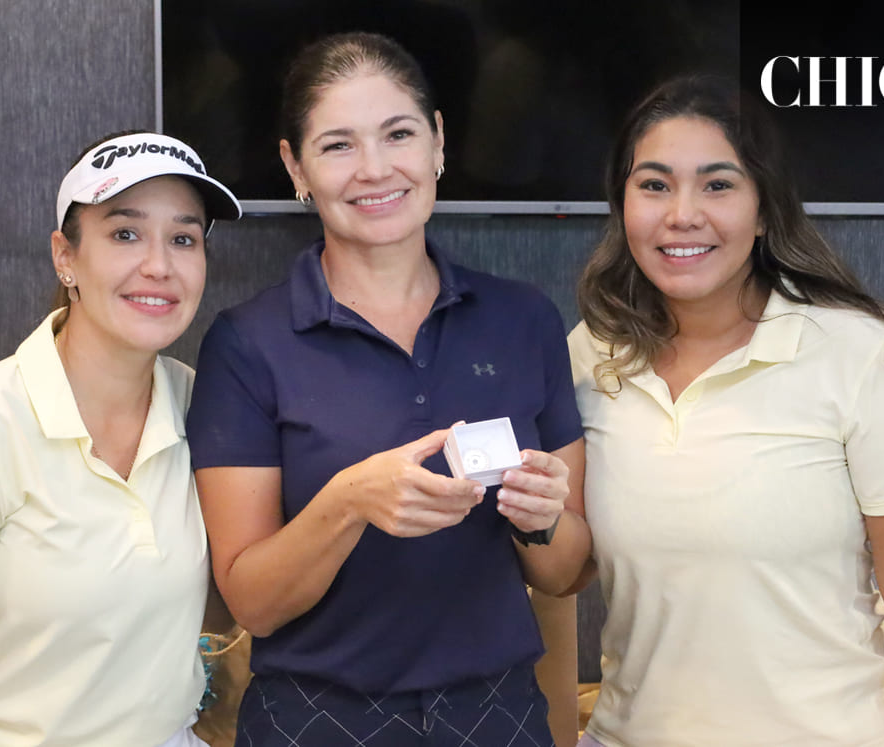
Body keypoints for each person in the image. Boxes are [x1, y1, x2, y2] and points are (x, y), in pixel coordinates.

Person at [185, 32, 590, 747]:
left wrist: (542, 517)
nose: (375, 169)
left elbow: (564, 574)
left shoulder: (524, 319)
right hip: (316, 720)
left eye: (398, 134)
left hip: (496, 718)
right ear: (295, 166)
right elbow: (253, 600)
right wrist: (347, 503)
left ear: (437, 143)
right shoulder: (248, 343)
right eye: (338, 145)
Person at [569, 75, 884, 747]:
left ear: (764, 206)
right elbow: (567, 568)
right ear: (622, 203)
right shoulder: (587, 355)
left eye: (718, 185)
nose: (681, 214)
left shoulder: (866, 356)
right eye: (654, 185)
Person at [0, 131, 242, 747]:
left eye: (183, 238)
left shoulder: (202, 403)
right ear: (65, 257)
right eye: (125, 233)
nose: (159, 265)